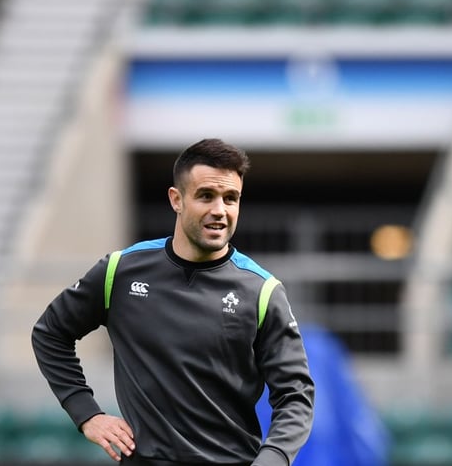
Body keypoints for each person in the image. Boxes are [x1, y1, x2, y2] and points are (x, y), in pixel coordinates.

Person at [32, 138, 315, 466]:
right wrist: (87, 414)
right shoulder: (119, 272)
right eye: (206, 196)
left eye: (231, 198)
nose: (220, 211)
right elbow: (50, 333)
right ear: (176, 199)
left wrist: (274, 457)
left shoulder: (262, 291)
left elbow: (296, 396)